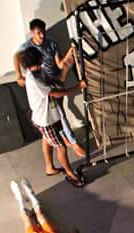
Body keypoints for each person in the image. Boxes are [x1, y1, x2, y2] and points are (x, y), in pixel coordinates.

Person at [14, 18, 85, 160]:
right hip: (43, 88)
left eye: (43, 32)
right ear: (32, 33)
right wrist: (18, 75)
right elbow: (16, 56)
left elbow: (60, 65)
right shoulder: (26, 48)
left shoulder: (51, 44)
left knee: (58, 115)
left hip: (54, 82)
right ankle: (72, 142)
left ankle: (63, 141)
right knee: (59, 115)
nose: (42, 35)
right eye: (38, 33)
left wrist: (69, 54)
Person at [19, 47, 86, 187]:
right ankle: (70, 174)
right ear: (38, 60)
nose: (43, 59)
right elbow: (55, 93)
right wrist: (77, 87)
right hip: (46, 121)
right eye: (41, 57)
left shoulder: (38, 71)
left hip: (47, 116)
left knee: (47, 140)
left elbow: (51, 81)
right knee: (61, 147)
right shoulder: (34, 80)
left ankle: (49, 168)